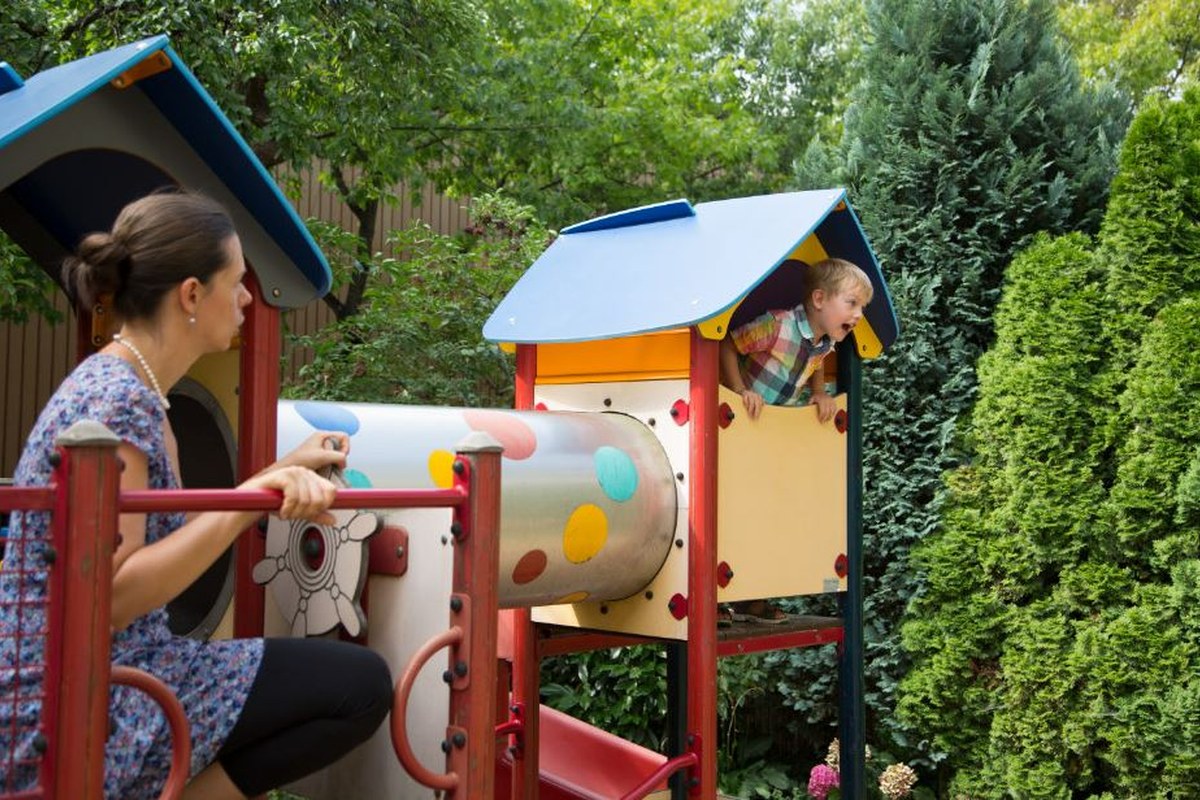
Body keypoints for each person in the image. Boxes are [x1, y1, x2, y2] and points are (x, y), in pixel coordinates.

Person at [0, 191, 392, 800]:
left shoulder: (127, 383)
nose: (245, 299)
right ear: (190, 294)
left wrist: (275, 473)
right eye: (235, 282)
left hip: (93, 671)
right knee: (361, 687)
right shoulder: (119, 402)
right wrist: (252, 499)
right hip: (92, 695)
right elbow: (111, 594)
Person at [718, 257, 873, 623]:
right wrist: (740, 392)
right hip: (740, 428)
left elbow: (814, 362)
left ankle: (752, 599)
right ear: (819, 299)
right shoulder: (778, 325)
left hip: (771, 437)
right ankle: (714, 600)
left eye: (862, 307)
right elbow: (727, 344)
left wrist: (819, 394)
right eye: (852, 303)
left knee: (768, 514)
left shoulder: (823, 342)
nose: (859, 315)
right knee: (730, 513)